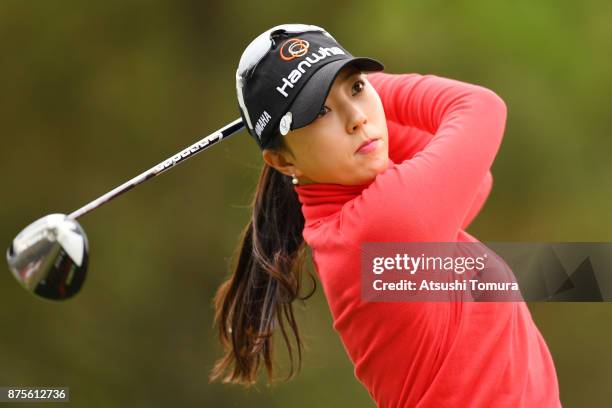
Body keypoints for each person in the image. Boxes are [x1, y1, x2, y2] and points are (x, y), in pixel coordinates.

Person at [209, 23, 562, 407]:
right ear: (283, 160)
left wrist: (336, 83)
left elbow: (477, 182)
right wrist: (367, 85)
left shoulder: (348, 223)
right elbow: (479, 107)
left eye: (357, 88)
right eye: (320, 111)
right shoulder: (379, 225)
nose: (357, 118)